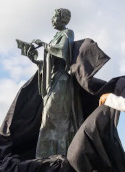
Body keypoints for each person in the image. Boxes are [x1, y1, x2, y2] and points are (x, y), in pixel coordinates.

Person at [31, 8, 83, 158]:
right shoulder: (56, 36)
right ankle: (46, 156)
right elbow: (48, 63)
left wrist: (44, 44)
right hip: (53, 79)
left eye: (54, 17)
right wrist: (34, 59)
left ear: (63, 18)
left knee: (57, 120)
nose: (52, 19)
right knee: (47, 119)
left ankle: (59, 156)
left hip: (62, 81)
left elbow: (62, 51)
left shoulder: (68, 33)